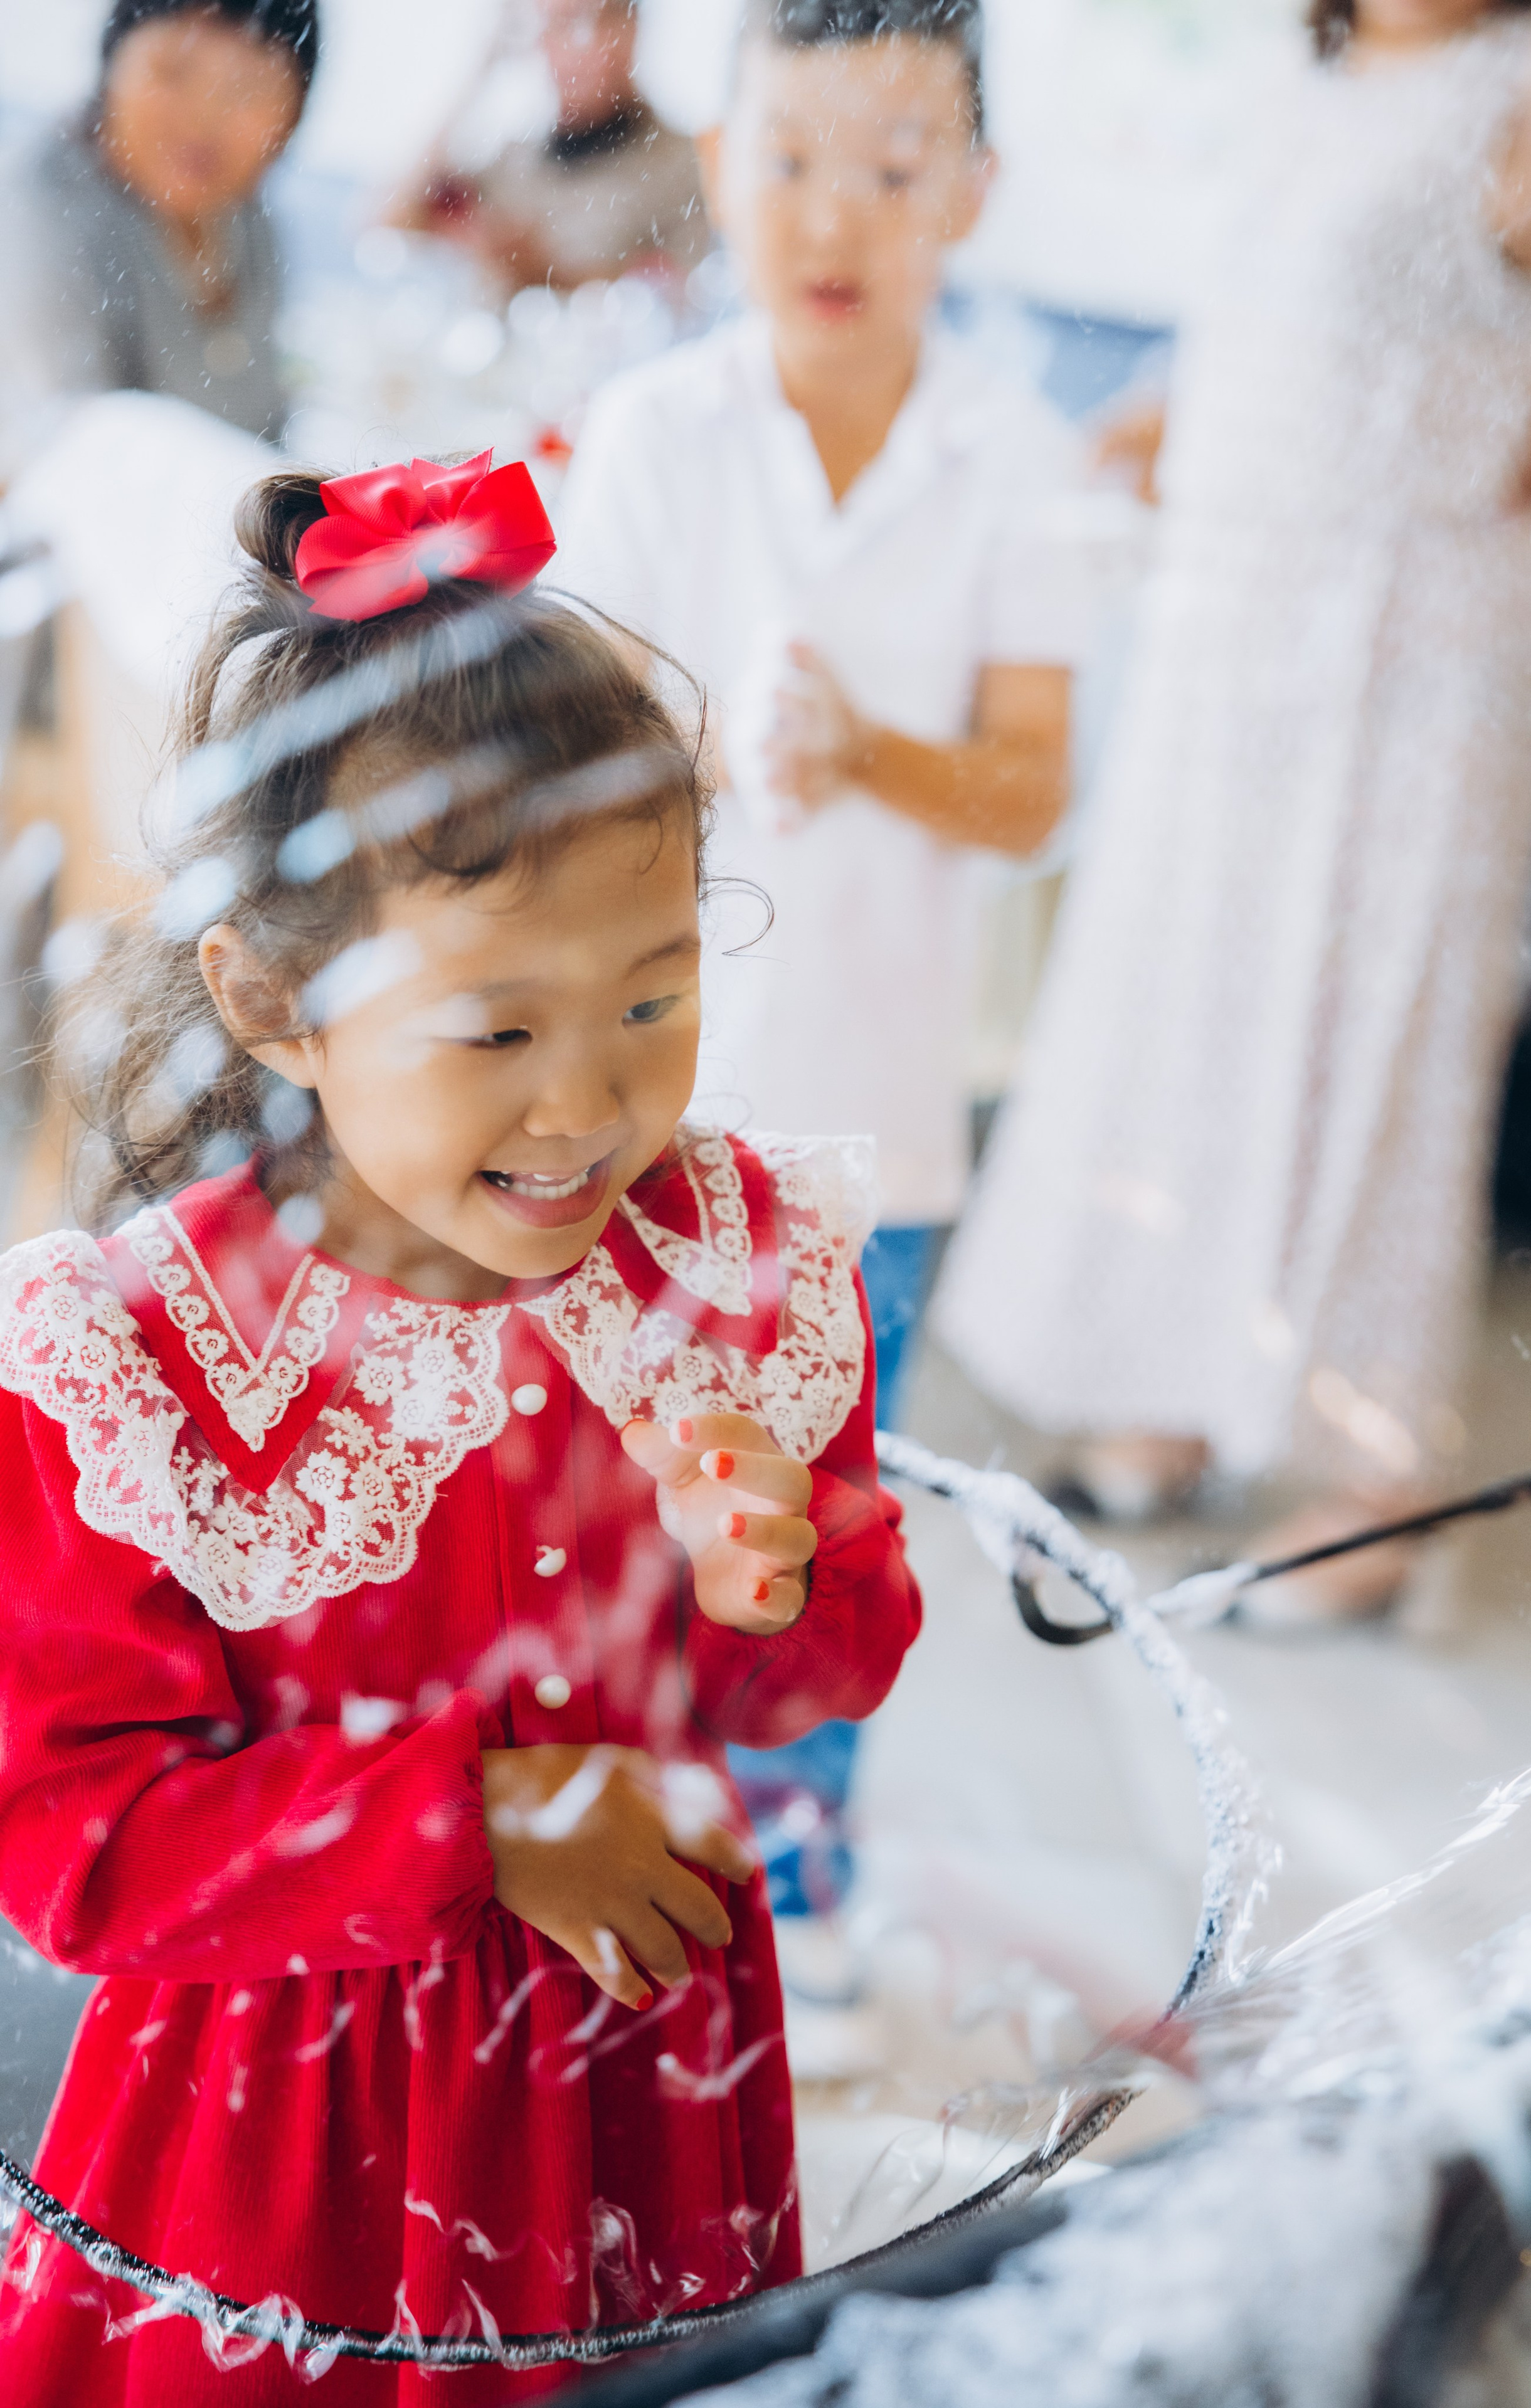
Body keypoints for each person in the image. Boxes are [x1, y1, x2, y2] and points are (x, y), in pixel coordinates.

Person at [0, 451, 920, 2399]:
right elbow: (76, 1842)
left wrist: (782, 1574)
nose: (588, 1102)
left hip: (639, 2100)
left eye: (654, 999)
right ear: (269, 999)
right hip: (285, 2155)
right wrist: (471, 1823)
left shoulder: (719, 1261)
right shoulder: (143, 1359)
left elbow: (826, 1666)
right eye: (496, 1030)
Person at [936, 0, 1531, 1617]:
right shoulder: (1316, 71)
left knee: (1377, 1019)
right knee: (1198, 994)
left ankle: (1362, 1482)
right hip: (1233, 601)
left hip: (1418, 607)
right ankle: (1172, 1388)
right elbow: (1272, 321)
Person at [557, 0, 1091, 2024]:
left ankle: (781, 1924)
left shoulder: (1014, 454)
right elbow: (583, 764)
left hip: (881, 1124)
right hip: (645, 1119)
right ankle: (609, 1883)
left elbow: (1032, 794)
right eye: (789, 156)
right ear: (718, 164)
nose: (831, 212)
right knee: (617, 1522)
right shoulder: (659, 432)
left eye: (892, 161)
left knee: (816, 1545)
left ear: (976, 192)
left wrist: (870, 754)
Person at [11, 0, 317, 446]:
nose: (205, 116)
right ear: (112, 67)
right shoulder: (34, 207)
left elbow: (271, 420)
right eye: (174, 72)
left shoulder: (249, 219)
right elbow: (81, 450)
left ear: (293, 118)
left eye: (248, 88)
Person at [388, 0, 709, 300]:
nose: (570, 48)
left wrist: (547, 277)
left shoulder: (686, 165)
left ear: (630, 29)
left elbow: (684, 296)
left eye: (582, 24)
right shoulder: (514, 160)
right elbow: (389, 224)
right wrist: (478, 74)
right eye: (553, 26)